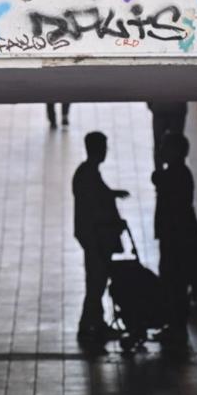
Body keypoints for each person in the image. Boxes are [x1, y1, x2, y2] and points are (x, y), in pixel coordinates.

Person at [71, 131, 130, 351]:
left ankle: (95, 321)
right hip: (95, 237)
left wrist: (114, 194)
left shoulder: (88, 172)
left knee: (97, 281)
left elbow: (99, 196)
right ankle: (89, 323)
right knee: (96, 282)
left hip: (93, 236)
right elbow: (94, 206)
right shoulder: (88, 174)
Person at [150, 132, 197, 344]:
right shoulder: (179, 173)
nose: (161, 150)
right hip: (178, 234)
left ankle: (176, 325)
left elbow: (159, 181)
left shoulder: (175, 175)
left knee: (174, 282)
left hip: (176, 237)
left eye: (165, 147)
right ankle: (174, 324)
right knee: (175, 282)